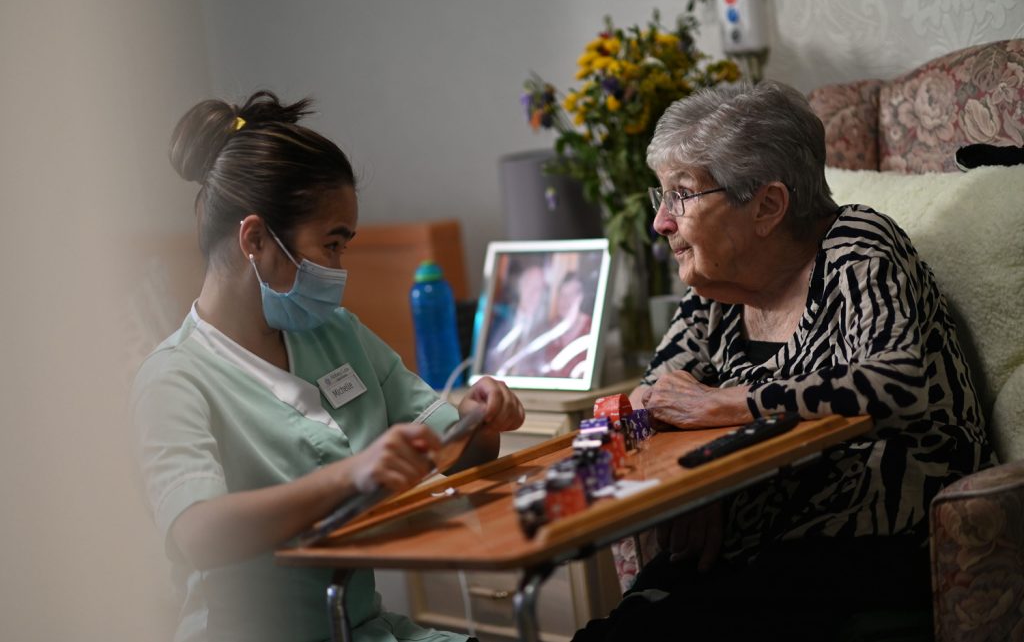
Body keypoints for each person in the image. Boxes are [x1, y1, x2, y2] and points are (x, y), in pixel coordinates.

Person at [573, 81, 994, 641]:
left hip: (866, 546)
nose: (661, 222)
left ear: (767, 206)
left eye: (681, 195)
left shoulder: (856, 245)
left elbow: (897, 380)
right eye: (662, 197)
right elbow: (655, 396)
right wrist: (698, 483)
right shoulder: (712, 292)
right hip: (749, 552)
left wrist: (727, 404)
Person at [132, 91, 525, 642]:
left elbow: (460, 454)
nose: (341, 268)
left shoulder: (336, 333)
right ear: (255, 239)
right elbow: (198, 532)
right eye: (332, 245)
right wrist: (348, 475)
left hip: (359, 627)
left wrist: (480, 413)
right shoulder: (173, 378)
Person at [541, 272, 593, 378]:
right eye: (562, 295)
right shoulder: (548, 329)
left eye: (571, 295)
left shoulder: (592, 330)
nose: (565, 301)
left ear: (581, 297)